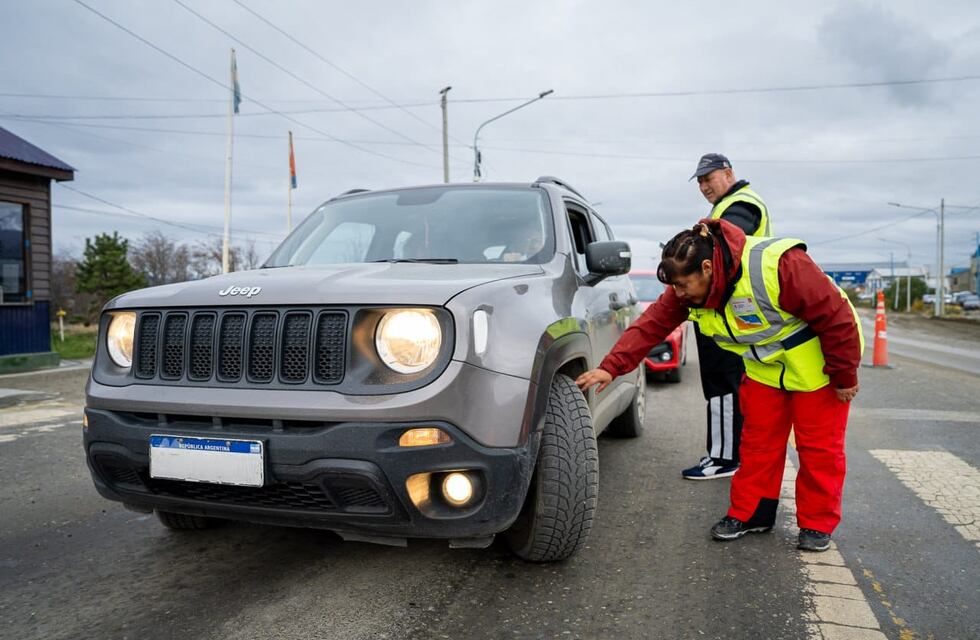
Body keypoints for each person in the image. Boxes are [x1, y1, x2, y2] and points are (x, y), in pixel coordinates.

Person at [576, 219, 862, 551]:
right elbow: (650, 325)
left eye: (684, 285)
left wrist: (844, 377)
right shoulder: (689, 288)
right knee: (757, 446)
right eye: (675, 287)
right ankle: (752, 514)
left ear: (708, 267)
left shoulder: (780, 264)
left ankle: (816, 524)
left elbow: (836, 318)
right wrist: (611, 368)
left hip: (819, 368)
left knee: (818, 450)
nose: (679, 295)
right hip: (765, 370)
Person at [683, 153, 772, 481]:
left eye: (709, 178)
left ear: (729, 173)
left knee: (721, 383)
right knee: (728, 382)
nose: (704, 186)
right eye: (700, 181)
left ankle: (723, 458)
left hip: (727, 309)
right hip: (730, 308)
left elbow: (722, 243)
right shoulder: (727, 205)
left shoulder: (741, 204)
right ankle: (732, 452)